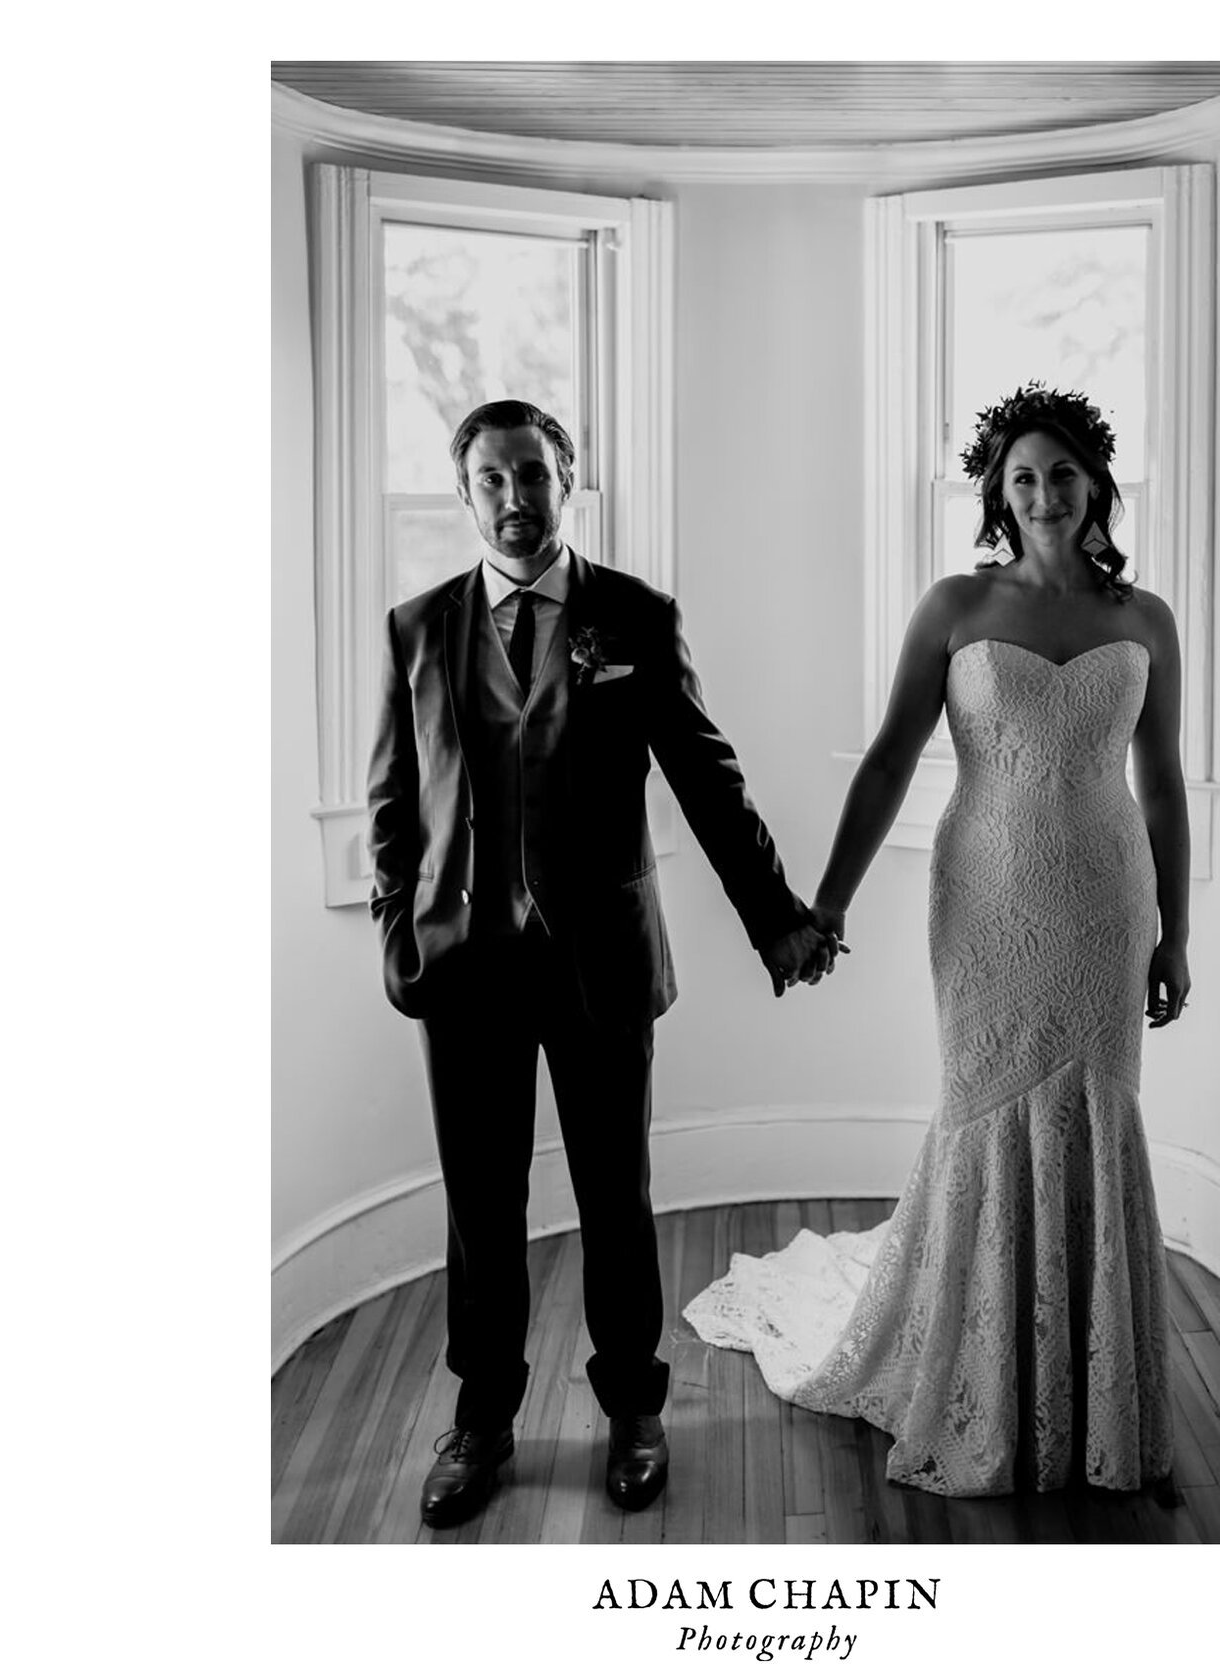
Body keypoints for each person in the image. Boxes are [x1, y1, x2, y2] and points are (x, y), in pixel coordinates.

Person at [685, 382, 1190, 1497]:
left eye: (1063, 473)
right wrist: (825, 905)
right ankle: (982, 1376)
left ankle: (1091, 1393)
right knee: (983, 1104)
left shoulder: (1144, 619)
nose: (1044, 492)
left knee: (1097, 1111)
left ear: (1097, 483)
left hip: (1109, 905)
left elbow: (1161, 787)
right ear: (997, 497)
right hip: (985, 904)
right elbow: (885, 760)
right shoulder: (955, 604)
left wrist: (1176, 934)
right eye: (1022, 477)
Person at [367, 398, 835, 1529]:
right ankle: (481, 1418)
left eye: (534, 474)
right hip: (464, 964)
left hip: (599, 959)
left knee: (612, 1191)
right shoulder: (417, 627)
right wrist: (397, 927)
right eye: (492, 479)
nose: (516, 498)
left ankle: (634, 1406)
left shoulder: (631, 614)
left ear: (567, 477)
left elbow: (705, 776)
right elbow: (394, 800)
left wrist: (774, 911)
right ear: (465, 490)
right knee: (481, 1202)